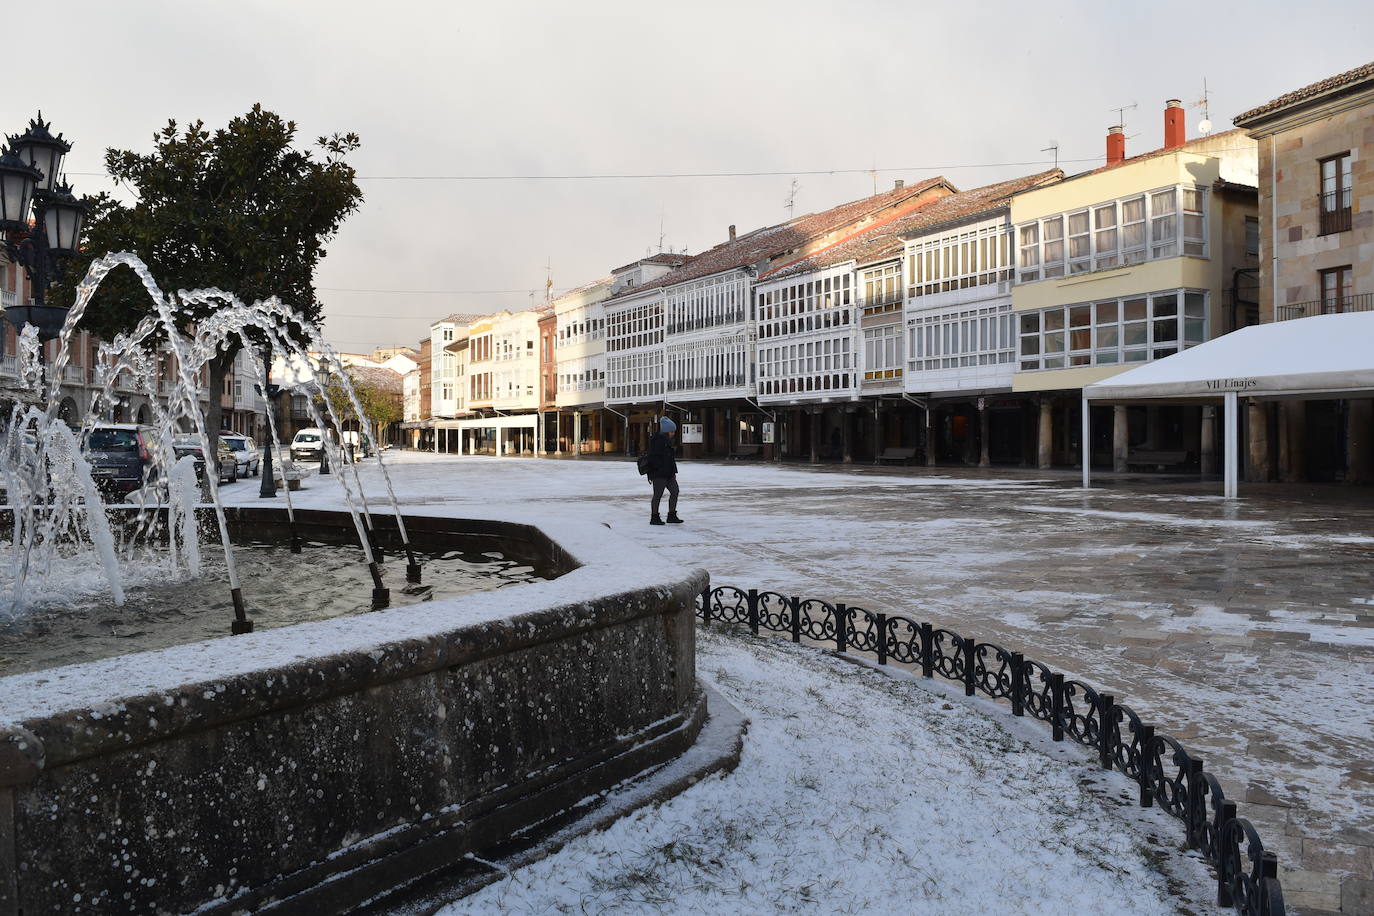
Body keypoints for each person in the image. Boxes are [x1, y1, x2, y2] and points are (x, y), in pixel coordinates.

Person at [645, 416, 682, 526]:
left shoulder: (668, 441)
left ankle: (671, 515)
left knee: (675, 491)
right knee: (658, 495)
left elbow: (670, 459)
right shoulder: (657, 441)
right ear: (666, 431)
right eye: (672, 431)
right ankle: (654, 517)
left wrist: (673, 472)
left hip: (669, 473)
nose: (673, 433)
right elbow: (654, 459)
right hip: (659, 474)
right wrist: (657, 471)